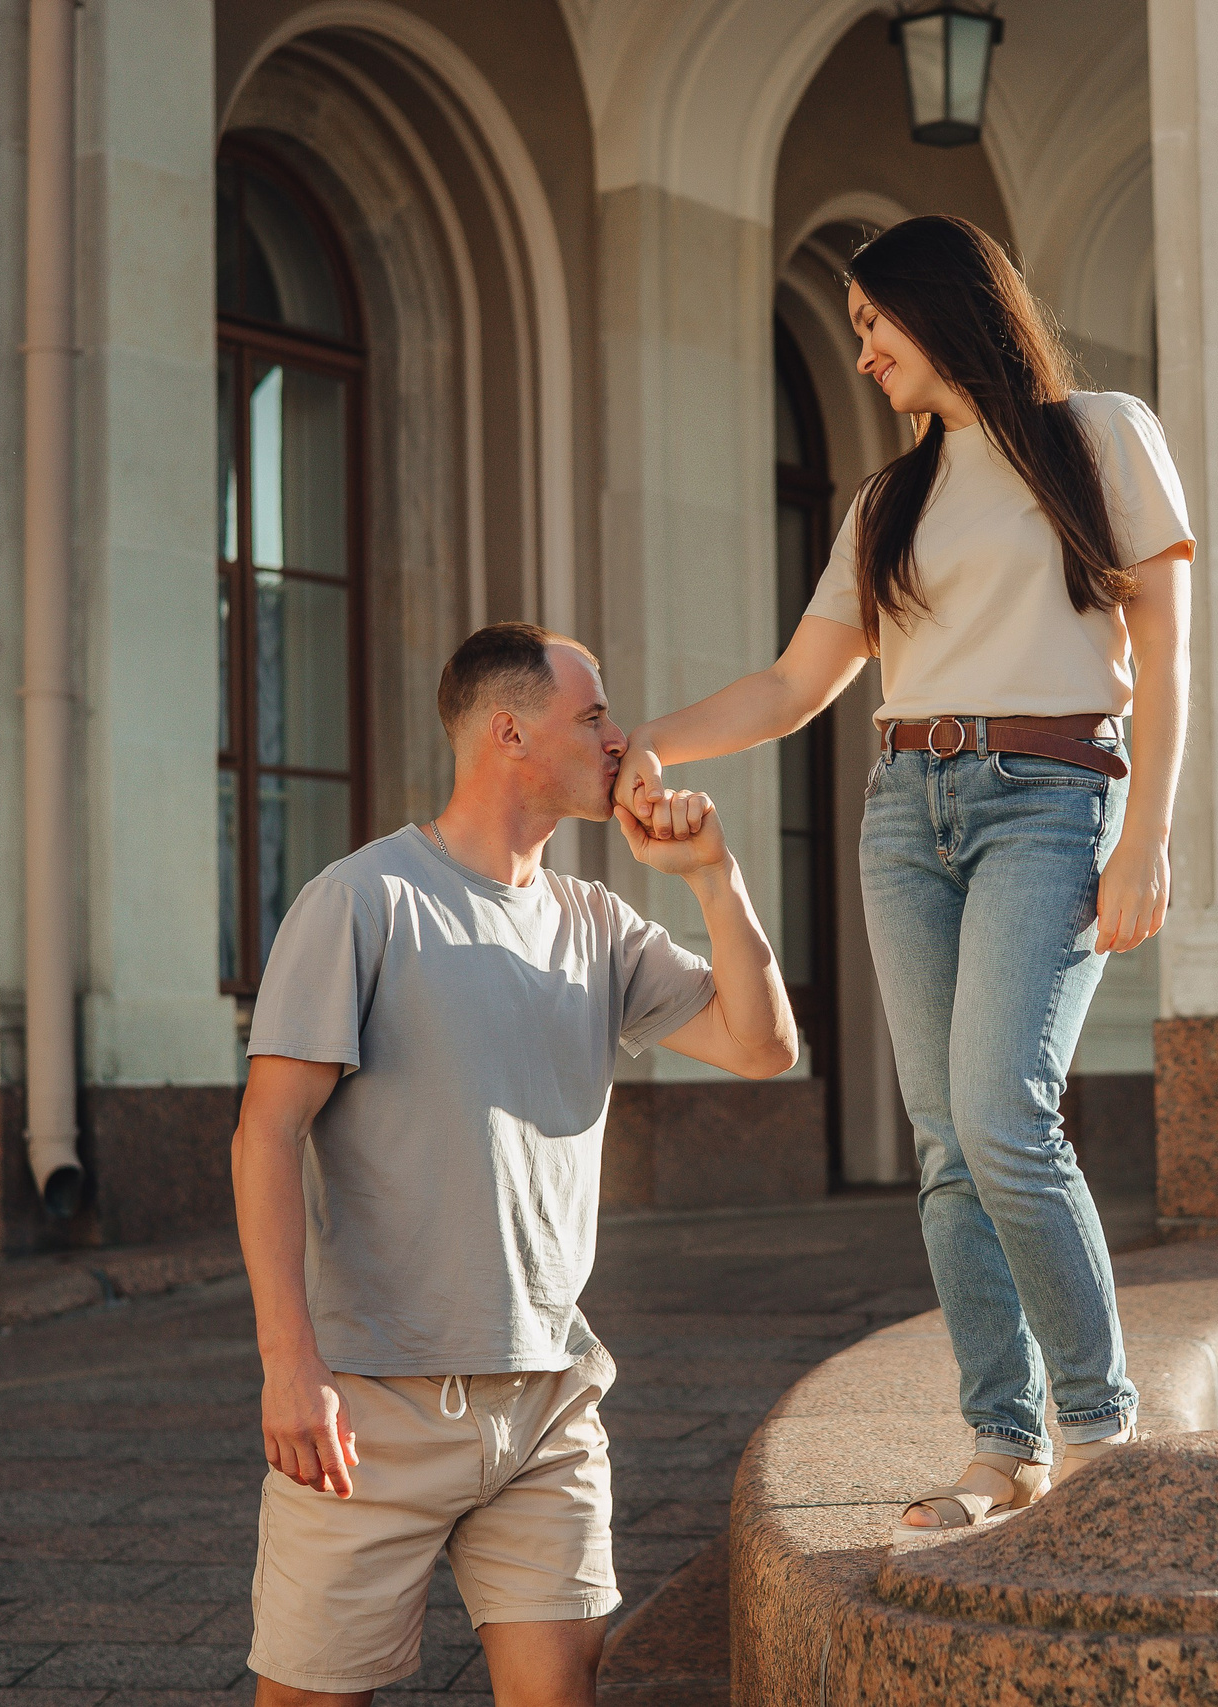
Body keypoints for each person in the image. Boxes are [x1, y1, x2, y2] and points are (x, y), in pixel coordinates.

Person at [615, 215, 1193, 1530]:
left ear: (943, 309)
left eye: (875, 323)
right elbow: (794, 684)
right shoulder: (891, 501)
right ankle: (1004, 1444)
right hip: (904, 808)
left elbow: (1167, 648)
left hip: (1052, 797)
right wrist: (647, 739)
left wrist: (1148, 832)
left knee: (1004, 1112)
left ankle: (1101, 1431)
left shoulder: (1103, 434)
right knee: (945, 1145)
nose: (865, 352)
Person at [232, 622, 797, 1707]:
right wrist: (289, 1368)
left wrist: (712, 874)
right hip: (374, 1407)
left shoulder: (598, 922)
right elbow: (264, 1133)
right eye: (591, 717)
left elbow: (763, 1047)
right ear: (508, 732)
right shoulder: (365, 901)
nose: (621, 739)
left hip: (547, 1404)